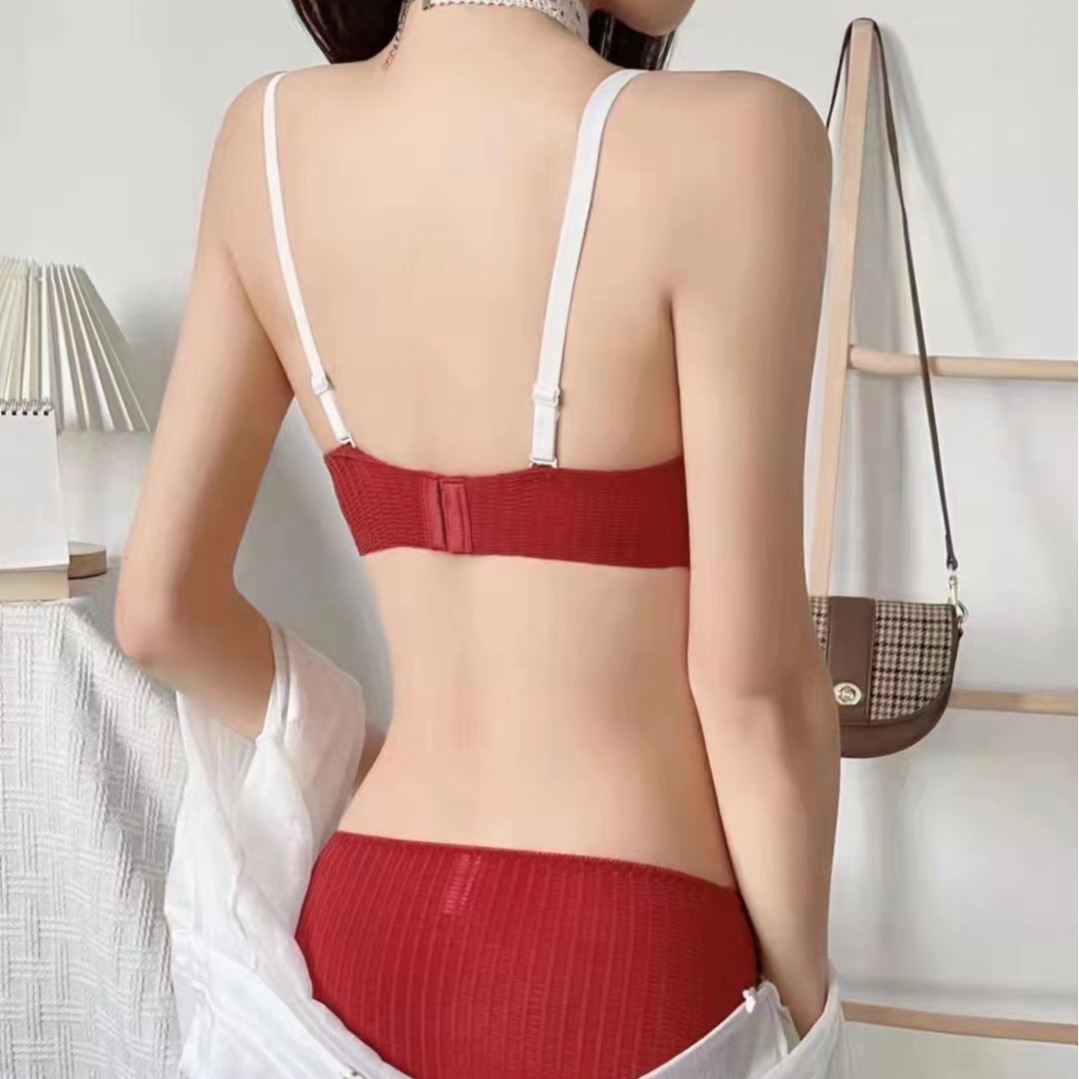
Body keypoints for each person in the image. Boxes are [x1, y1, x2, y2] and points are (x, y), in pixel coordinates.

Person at [117, 0, 840, 1075]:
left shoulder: (263, 141)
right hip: (624, 949)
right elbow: (752, 691)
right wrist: (808, 1013)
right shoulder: (740, 141)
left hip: (365, 923)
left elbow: (159, 613)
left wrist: (360, 750)